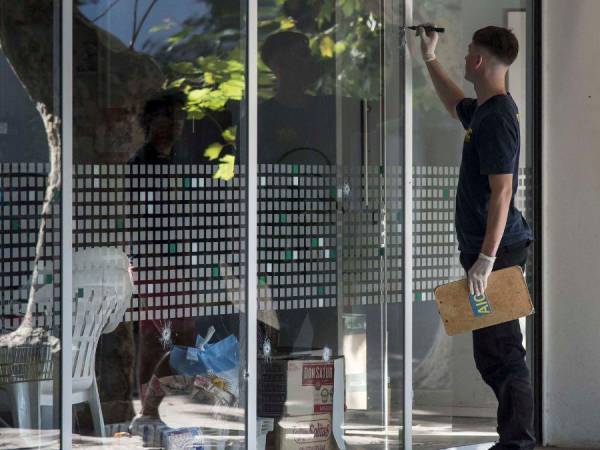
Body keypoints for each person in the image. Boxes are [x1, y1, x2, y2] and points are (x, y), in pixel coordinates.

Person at [416, 24, 535, 449]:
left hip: (499, 253)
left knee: (502, 353)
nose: (464, 60)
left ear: (479, 61)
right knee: (492, 353)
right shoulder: (484, 110)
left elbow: (504, 191)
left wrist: (486, 259)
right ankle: (513, 438)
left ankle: (517, 442)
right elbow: (454, 103)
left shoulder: (499, 116)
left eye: (467, 53)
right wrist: (429, 57)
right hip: (487, 251)